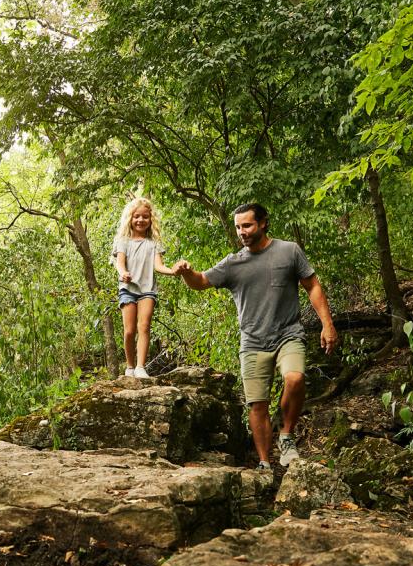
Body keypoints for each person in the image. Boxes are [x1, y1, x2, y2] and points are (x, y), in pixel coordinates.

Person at [173, 203, 338, 469]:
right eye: (238, 227)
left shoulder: (289, 251)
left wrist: (327, 324)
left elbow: (313, 286)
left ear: (263, 223)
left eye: (247, 225)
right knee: (257, 404)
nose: (242, 232)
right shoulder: (233, 263)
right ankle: (264, 463)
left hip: (288, 333)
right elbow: (200, 282)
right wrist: (186, 273)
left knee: (295, 379)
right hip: (252, 342)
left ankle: (285, 436)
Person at [112, 197, 180, 378]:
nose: (140, 220)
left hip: (147, 290)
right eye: (136, 216)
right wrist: (123, 272)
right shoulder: (123, 241)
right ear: (130, 218)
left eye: (145, 217)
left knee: (144, 326)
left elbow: (158, 266)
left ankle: (141, 367)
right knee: (129, 331)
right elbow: (119, 263)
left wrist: (172, 271)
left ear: (151, 220)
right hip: (128, 288)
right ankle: (130, 366)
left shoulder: (153, 243)